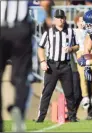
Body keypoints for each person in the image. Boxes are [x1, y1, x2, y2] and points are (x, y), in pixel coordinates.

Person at [0, 0, 52, 132]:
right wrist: (48, 17)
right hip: (21, 30)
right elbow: (45, 2)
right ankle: (19, 108)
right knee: (21, 77)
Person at [36, 9, 79, 123]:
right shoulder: (48, 32)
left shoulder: (70, 32)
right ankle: (41, 117)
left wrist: (71, 49)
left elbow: (77, 46)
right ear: (54, 20)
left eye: (62, 18)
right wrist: (42, 61)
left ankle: (72, 117)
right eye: (58, 18)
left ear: (64, 19)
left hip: (65, 65)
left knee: (70, 93)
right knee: (47, 92)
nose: (60, 20)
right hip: (52, 65)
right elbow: (40, 47)